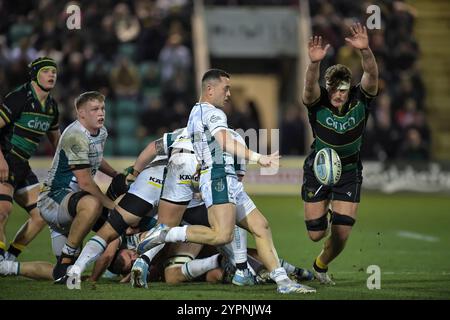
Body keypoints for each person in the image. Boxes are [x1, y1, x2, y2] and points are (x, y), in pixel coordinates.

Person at [138, 69, 314, 294]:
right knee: (222, 235)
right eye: (226, 88)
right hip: (219, 176)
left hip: (223, 178)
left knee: (261, 226)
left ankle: (284, 282)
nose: (229, 94)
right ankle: (164, 234)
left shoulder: (195, 112)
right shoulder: (213, 113)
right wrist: (259, 158)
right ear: (210, 90)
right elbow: (224, 142)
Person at [301, 23, 378, 284]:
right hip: (319, 169)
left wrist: (366, 50)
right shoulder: (317, 101)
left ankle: (320, 265)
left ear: (349, 87)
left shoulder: (361, 99)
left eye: (343, 89)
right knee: (315, 234)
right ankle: (325, 216)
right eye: (334, 89)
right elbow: (309, 86)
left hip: (348, 171)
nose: (338, 94)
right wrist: (313, 64)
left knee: (342, 231)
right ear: (328, 87)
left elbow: (371, 74)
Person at [37, 91, 119, 282]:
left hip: (74, 207)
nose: (101, 113)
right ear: (81, 114)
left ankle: (10, 267)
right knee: (95, 204)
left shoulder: (102, 132)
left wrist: (115, 174)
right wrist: (110, 205)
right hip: (53, 200)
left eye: (102, 108)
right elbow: (85, 182)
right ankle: (68, 255)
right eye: (94, 109)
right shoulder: (75, 135)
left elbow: (96, 159)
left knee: (59, 275)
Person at [0, 57, 61, 262]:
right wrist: (0, 161)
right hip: (4, 158)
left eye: (53, 71)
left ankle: (9, 257)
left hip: (21, 165)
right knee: (2, 209)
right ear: (35, 74)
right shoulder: (18, 98)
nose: (51, 74)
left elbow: (58, 143)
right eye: (46, 71)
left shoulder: (52, 107)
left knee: (42, 214)